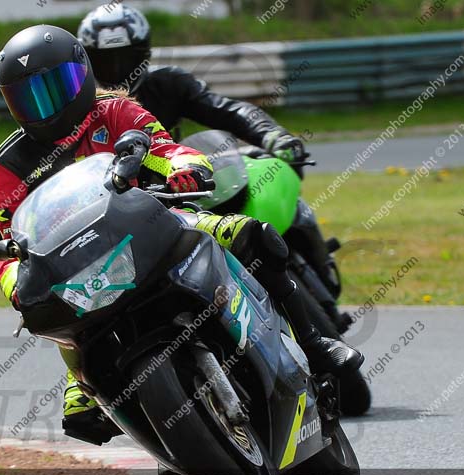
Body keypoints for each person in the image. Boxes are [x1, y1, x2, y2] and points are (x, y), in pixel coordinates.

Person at [0, 25, 363, 445]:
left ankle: (315, 344)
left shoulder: (114, 112)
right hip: (82, 262)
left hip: (158, 221)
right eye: (30, 96)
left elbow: (166, 148)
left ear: (83, 75)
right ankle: (86, 384)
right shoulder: (7, 164)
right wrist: (15, 283)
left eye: (56, 88)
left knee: (249, 233)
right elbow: (10, 242)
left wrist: (187, 168)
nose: (46, 105)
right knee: (51, 305)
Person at [77, 4, 349, 331]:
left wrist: (272, 135)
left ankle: (319, 279)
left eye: (126, 57)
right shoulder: (81, 114)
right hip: (138, 212)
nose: (118, 69)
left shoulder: (167, 84)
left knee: (266, 177)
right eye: (106, 61)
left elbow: (226, 110)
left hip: (189, 185)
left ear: (144, 54)